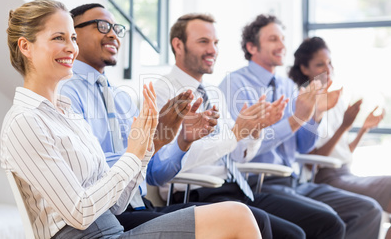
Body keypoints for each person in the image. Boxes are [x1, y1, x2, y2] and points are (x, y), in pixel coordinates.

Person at [1, 0, 261, 239]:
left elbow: (116, 204)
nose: (71, 47)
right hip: (93, 234)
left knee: (239, 215)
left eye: (71, 38)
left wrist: (148, 146)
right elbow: (79, 213)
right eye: (59, 38)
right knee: (237, 217)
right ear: (25, 46)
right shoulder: (25, 121)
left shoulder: (66, 112)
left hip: (115, 224)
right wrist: (134, 155)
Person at [153, 13, 349, 239]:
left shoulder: (214, 93)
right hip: (198, 191)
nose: (213, 50)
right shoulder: (163, 92)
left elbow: (237, 155)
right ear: (178, 45)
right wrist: (236, 133)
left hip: (235, 185)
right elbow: (167, 160)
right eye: (203, 42)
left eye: (216, 43)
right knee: (293, 234)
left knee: (326, 223)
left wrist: (254, 130)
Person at [219, 14, 384, 239]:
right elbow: (242, 146)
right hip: (259, 184)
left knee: (368, 210)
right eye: (273, 39)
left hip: (294, 181)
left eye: (283, 39)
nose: (282, 45)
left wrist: (314, 115)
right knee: (328, 219)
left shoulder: (289, 86)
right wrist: (295, 119)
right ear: (252, 47)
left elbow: (303, 147)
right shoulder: (234, 85)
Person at [58, 3, 221, 231]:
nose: (113, 34)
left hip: (142, 208)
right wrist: (148, 143)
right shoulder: (64, 93)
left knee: (252, 218)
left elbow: (154, 175)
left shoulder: (123, 100)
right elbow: (90, 174)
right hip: (106, 217)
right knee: (230, 221)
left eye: (117, 28)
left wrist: (182, 140)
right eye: (103, 26)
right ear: (73, 35)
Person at [288, 36, 391, 212]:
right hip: (325, 178)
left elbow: (344, 152)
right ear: (305, 69)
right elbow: (313, 163)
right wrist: (344, 126)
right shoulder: (302, 103)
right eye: (320, 65)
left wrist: (363, 129)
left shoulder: (336, 101)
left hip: (346, 173)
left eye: (329, 63)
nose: (328, 69)